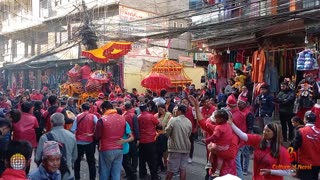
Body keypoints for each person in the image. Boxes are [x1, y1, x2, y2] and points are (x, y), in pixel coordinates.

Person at [188, 95, 237, 178]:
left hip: (226, 173)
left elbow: (231, 155)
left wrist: (213, 150)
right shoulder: (215, 129)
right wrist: (196, 107)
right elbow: (202, 122)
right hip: (212, 169)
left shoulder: (232, 136)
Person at [36, 113, 78, 180]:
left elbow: (37, 158)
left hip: (49, 175)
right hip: (67, 174)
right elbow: (74, 156)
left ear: (51, 123)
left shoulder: (44, 138)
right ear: (64, 122)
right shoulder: (72, 136)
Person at [94, 101, 128, 180]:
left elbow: (97, 136)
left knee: (104, 173)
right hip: (119, 148)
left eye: (101, 110)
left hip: (106, 149)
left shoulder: (101, 120)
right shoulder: (122, 118)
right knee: (116, 174)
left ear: (104, 109)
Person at [203, 109, 233, 178]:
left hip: (218, 146)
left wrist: (206, 140)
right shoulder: (227, 126)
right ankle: (217, 171)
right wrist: (209, 124)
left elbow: (214, 136)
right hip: (226, 146)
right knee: (220, 158)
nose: (215, 120)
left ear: (221, 119)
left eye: (216, 119)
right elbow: (215, 128)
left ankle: (209, 163)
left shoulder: (219, 127)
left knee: (211, 148)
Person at [71, 103, 97, 180]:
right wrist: (92, 133)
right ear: (89, 109)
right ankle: (92, 178)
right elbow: (99, 126)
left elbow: (73, 129)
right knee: (91, 161)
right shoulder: (93, 116)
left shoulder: (77, 117)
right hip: (89, 141)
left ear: (81, 109)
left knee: (77, 161)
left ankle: (77, 177)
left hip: (78, 141)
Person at [165, 104, 192, 180]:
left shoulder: (173, 120)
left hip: (175, 148)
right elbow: (189, 134)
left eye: (176, 110)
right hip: (186, 148)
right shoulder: (189, 121)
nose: (175, 111)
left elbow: (167, 133)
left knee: (170, 170)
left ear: (179, 111)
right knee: (183, 169)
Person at [292, 111, 320, 180]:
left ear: (305, 119)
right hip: (317, 163)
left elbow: (294, 147)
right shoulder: (319, 131)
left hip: (305, 163)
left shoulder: (301, 131)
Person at [138, 104, 161, 180]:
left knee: (142, 159)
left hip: (141, 141)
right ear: (147, 108)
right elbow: (159, 124)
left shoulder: (138, 117)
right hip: (150, 141)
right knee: (152, 160)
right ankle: (154, 177)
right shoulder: (151, 116)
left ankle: (142, 174)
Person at [237, 96, 254, 176]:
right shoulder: (237, 111)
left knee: (245, 153)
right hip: (239, 134)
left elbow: (250, 126)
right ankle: (239, 167)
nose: (238, 105)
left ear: (244, 104)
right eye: (237, 103)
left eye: (240, 103)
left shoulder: (248, 113)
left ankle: (245, 169)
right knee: (239, 152)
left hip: (246, 135)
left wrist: (248, 137)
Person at [123, 101, 140, 174]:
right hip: (132, 137)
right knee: (134, 155)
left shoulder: (123, 115)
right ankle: (134, 169)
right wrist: (138, 138)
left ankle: (129, 171)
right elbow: (136, 128)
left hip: (125, 138)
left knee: (128, 155)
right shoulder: (134, 115)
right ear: (131, 107)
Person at [155, 103, 172, 172]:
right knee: (159, 151)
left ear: (165, 109)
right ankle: (160, 165)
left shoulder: (168, 115)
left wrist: (164, 124)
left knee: (165, 151)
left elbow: (171, 124)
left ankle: (165, 164)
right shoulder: (156, 115)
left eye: (162, 109)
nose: (160, 111)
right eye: (159, 110)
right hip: (158, 135)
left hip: (166, 135)